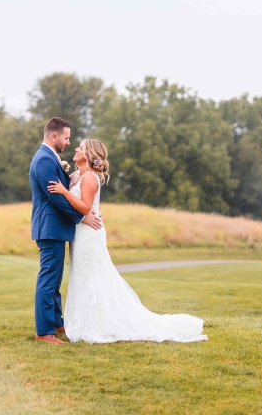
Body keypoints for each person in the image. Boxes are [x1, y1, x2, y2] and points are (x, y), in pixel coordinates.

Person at [48, 138, 207, 344]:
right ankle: (84, 319)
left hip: (89, 235)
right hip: (80, 233)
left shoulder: (90, 178)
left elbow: (86, 208)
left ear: (89, 154)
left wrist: (64, 192)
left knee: (91, 275)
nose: (76, 149)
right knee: (83, 274)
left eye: (81, 147)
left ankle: (96, 323)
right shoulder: (77, 174)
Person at [29, 117, 101, 344]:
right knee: (48, 280)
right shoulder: (43, 160)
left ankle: (57, 323)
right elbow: (55, 198)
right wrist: (82, 216)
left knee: (55, 280)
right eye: (67, 138)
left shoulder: (52, 158)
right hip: (50, 228)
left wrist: (88, 210)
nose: (69, 142)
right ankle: (44, 332)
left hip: (56, 228)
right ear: (54, 136)